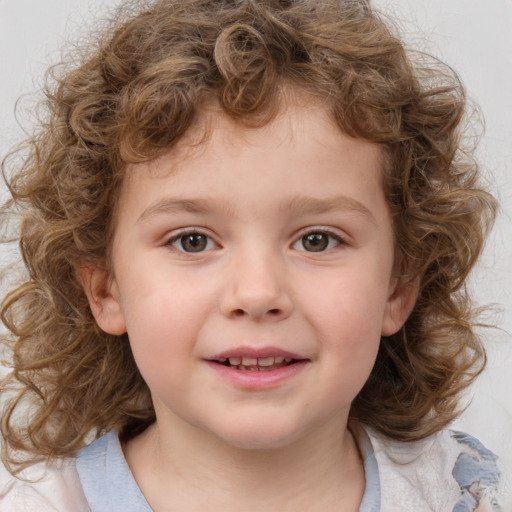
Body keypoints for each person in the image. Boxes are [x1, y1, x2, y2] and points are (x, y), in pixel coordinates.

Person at [0, 0, 503, 510]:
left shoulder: (456, 493)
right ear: (105, 289)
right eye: (192, 240)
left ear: (398, 286)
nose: (258, 293)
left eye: (317, 239)